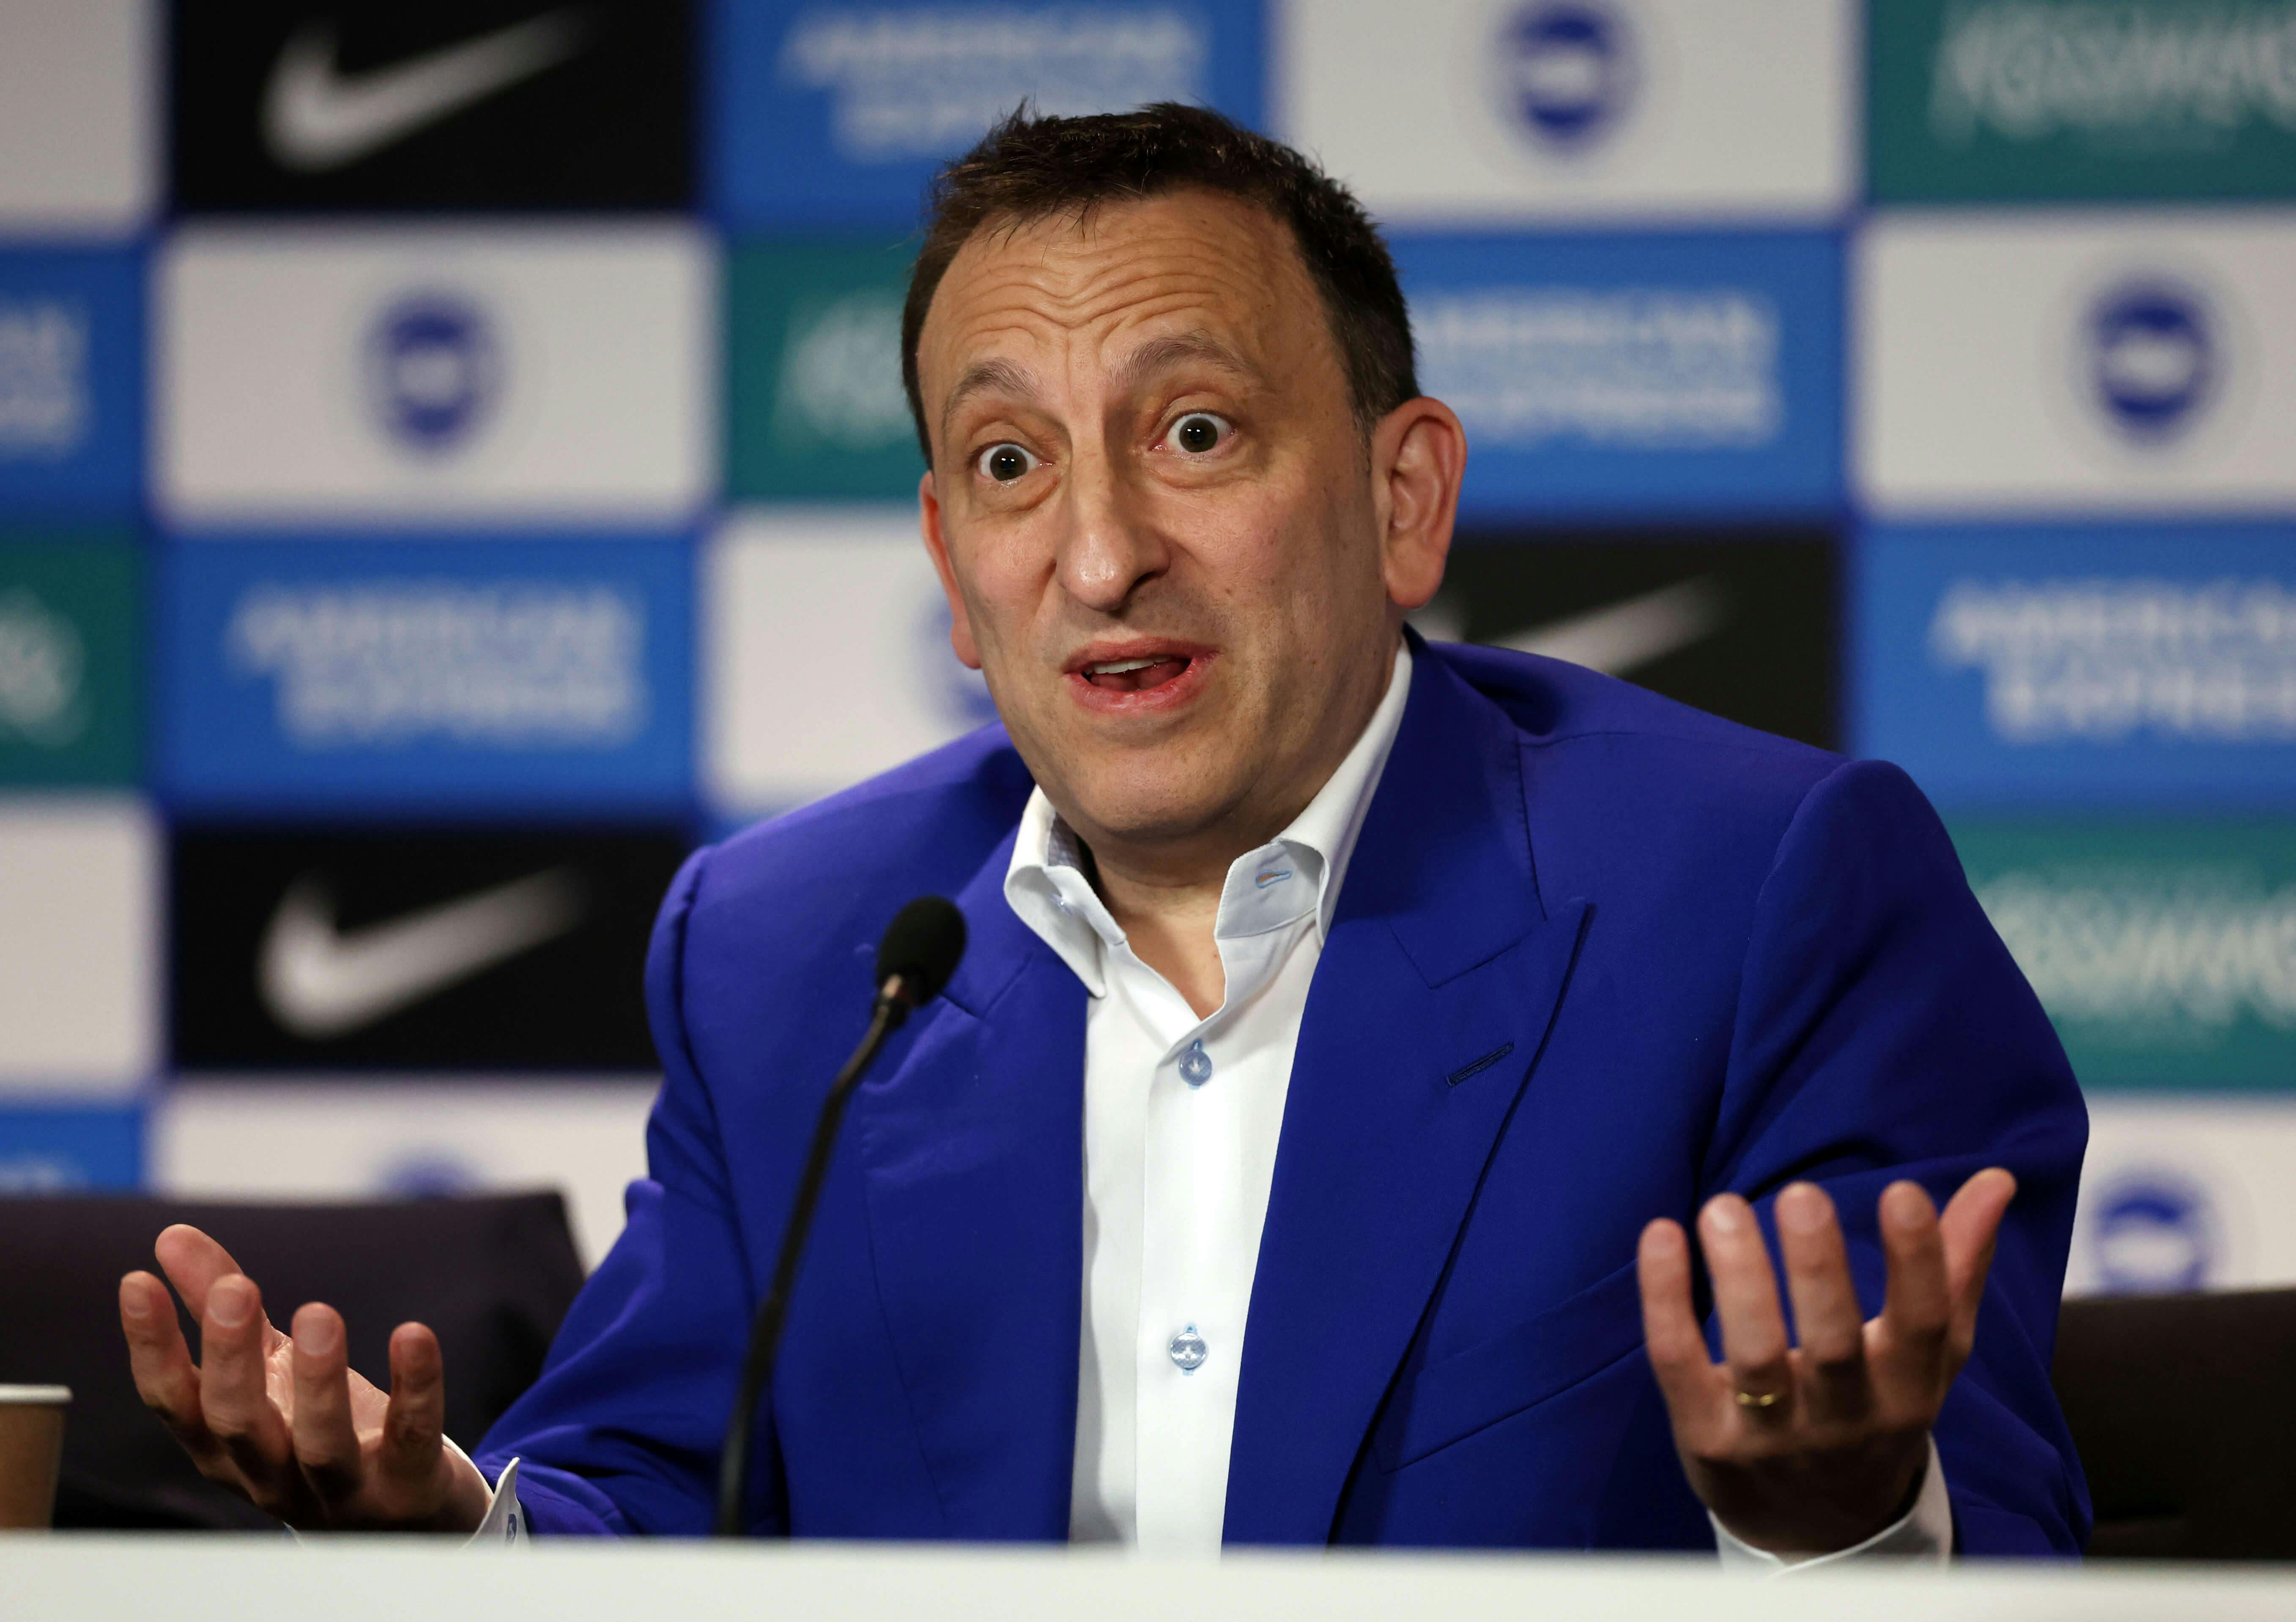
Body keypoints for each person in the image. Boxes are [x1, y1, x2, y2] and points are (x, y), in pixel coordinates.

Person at [119, 104, 2089, 1560]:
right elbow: (654, 1495)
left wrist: (1837, 1521)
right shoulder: (798, 943)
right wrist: (448, 1528)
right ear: (949, 571)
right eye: (1007, 463)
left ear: (1405, 500)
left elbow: (1996, 1543)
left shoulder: (1753, 890)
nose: (1098, 551)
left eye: (1195, 433)